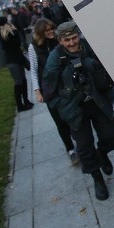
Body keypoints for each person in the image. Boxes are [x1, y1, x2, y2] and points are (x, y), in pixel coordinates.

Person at [44, 21, 114, 200]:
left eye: (74, 38)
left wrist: (93, 65)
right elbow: (48, 88)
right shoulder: (55, 58)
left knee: (112, 135)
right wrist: (62, 105)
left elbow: (107, 65)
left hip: (97, 101)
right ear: (60, 41)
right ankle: (97, 178)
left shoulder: (87, 48)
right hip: (75, 108)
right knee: (84, 147)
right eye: (67, 40)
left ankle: (102, 154)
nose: (72, 43)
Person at [28, 18, 78, 165]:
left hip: (66, 84)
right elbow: (33, 70)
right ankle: (70, 149)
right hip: (49, 89)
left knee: (73, 114)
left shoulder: (59, 41)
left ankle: (78, 138)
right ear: (40, 33)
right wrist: (37, 91)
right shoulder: (34, 47)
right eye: (47, 30)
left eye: (52, 29)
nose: (50, 32)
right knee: (59, 120)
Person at [0, 17, 33, 112]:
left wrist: (14, 31)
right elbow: (16, 43)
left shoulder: (8, 33)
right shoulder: (4, 35)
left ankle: (26, 100)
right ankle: (20, 105)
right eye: (7, 22)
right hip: (12, 61)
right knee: (18, 82)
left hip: (18, 59)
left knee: (23, 80)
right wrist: (14, 31)